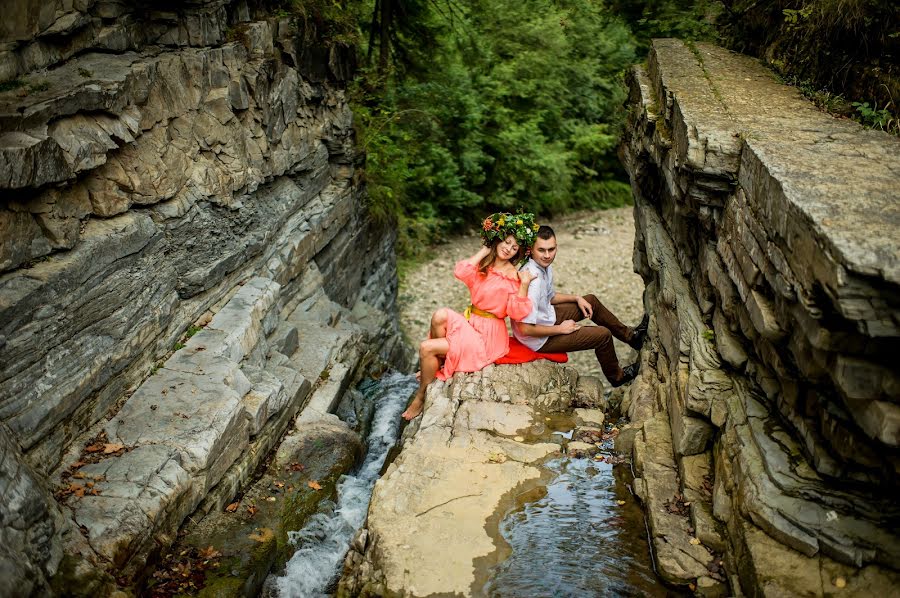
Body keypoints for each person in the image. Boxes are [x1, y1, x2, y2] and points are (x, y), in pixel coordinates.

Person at [401, 213, 539, 420]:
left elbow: (517, 313)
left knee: (426, 347)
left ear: (518, 253)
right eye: (506, 242)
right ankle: (439, 362)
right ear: (498, 239)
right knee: (440, 315)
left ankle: (420, 396)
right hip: (472, 322)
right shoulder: (485, 264)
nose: (508, 249)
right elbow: (461, 272)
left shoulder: (513, 275)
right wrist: (484, 249)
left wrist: (525, 285)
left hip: (488, 336)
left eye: (514, 248)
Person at [512, 225, 648, 387]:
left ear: (556, 247)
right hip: (538, 339)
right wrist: (561, 329)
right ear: (531, 250)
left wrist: (577, 298)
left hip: (546, 318)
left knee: (590, 301)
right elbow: (525, 328)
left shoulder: (542, 266)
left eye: (551, 249)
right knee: (603, 336)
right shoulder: (533, 281)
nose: (547, 255)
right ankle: (617, 376)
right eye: (542, 250)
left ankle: (632, 337)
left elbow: (550, 297)